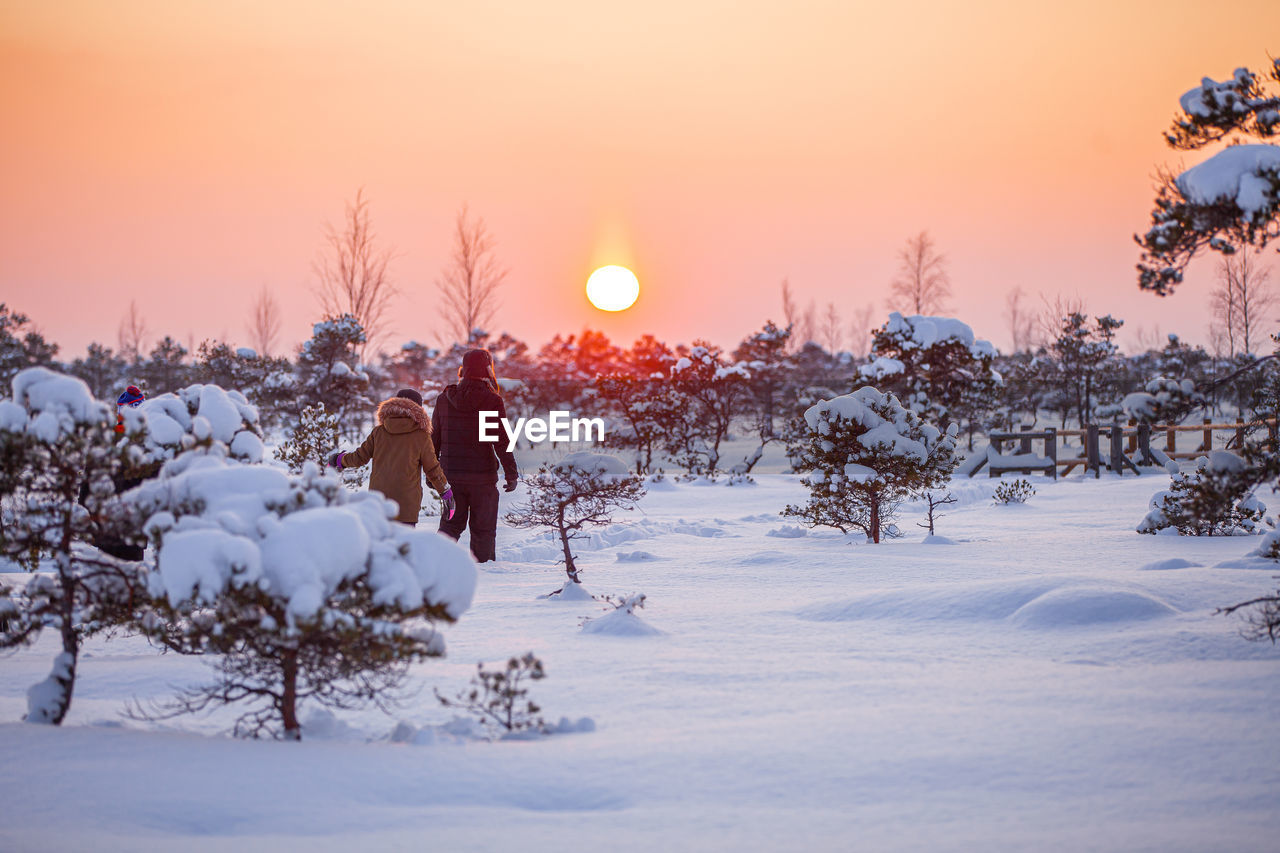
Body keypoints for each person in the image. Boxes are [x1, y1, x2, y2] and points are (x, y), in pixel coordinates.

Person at [432, 349, 518, 562]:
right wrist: (511, 473)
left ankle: (433, 564)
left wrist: (432, 474)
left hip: (450, 476)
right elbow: (501, 440)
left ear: (464, 369)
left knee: (450, 526)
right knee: (483, 530)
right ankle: (484, 572)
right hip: (483, 478)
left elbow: (434, 440)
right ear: (488, 369)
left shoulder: (444, 399)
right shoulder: (492, 400)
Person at [328, 389, 455, 527]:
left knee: (380, 546)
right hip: (407, 506)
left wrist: (339, 460)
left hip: (379, 502)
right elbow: (432, 469)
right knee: (403, 547)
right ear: (418, 408)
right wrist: (446, 493)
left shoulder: (379, 432)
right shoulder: (421, 436)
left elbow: (359, 457)